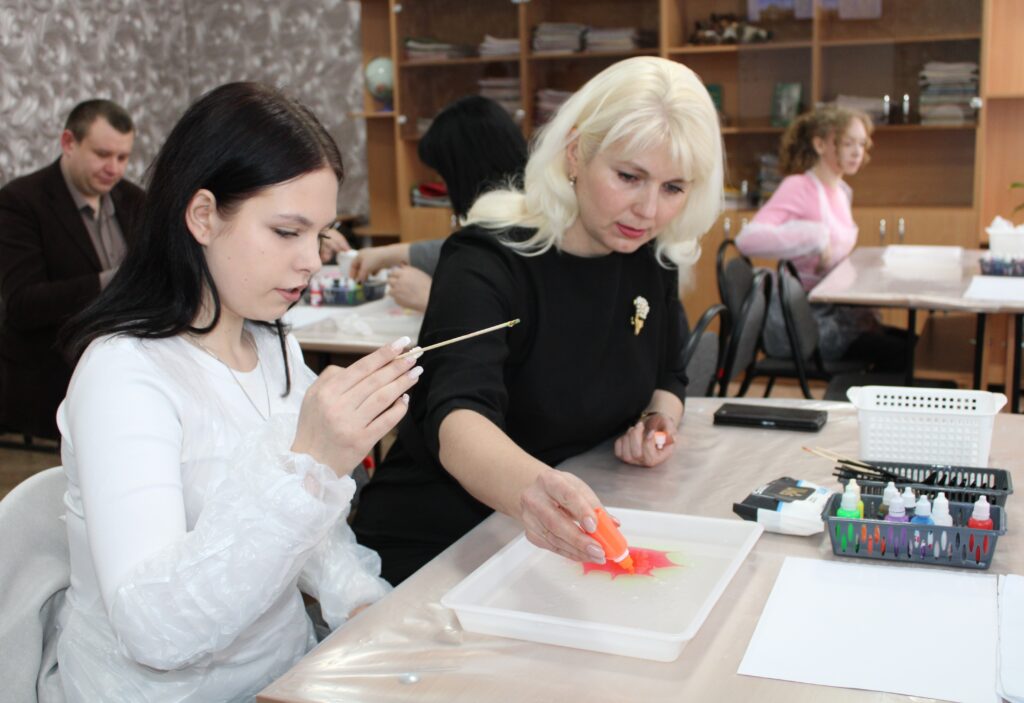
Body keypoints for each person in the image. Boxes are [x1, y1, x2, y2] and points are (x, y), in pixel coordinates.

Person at [55, 82, 421, 702]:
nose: (311, 260)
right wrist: (309, 463)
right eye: (286, 232)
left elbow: (314, 542)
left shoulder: (274, 347)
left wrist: (363, 607)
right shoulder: (125, 375)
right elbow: (153, 630)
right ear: (203, 216)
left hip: (283, 675)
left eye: (320, 235)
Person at [352, 57, 723, 585]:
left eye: (674, 188)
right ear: (575, 153)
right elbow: (459, 420)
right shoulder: (485, 261)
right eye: (629, 177)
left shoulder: (649, 257)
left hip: (563, 531)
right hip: (443, 542)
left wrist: (657, 421)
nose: (649, 210)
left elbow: (670, 373)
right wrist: (540, 493)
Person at [0, 99, 144, 439]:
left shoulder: (135, 200)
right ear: (68, 142)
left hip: (123, 381)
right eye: (102, 154)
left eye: (122, 157)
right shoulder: (20, 201)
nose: (113, 168)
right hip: (48, 390)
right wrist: (112, 281)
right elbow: (22, 304)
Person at [735, 105, 904, 368]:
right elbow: (747, 239)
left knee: (914, 347)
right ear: (820, 144)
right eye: (848, 143)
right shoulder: (799, 187)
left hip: (839, 313)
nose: (857, 152)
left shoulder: (841, 191)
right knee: (904, 355)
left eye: (862, 144)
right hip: (811, 324)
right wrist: (814, 237)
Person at [349, 95, 528, 311]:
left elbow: (506, 318)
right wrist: (387, 254)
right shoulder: (516, 216)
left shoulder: (527, 232)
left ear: (467, 171)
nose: (444, 187)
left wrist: (429, 298)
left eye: (445, 176)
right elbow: (464, 250)